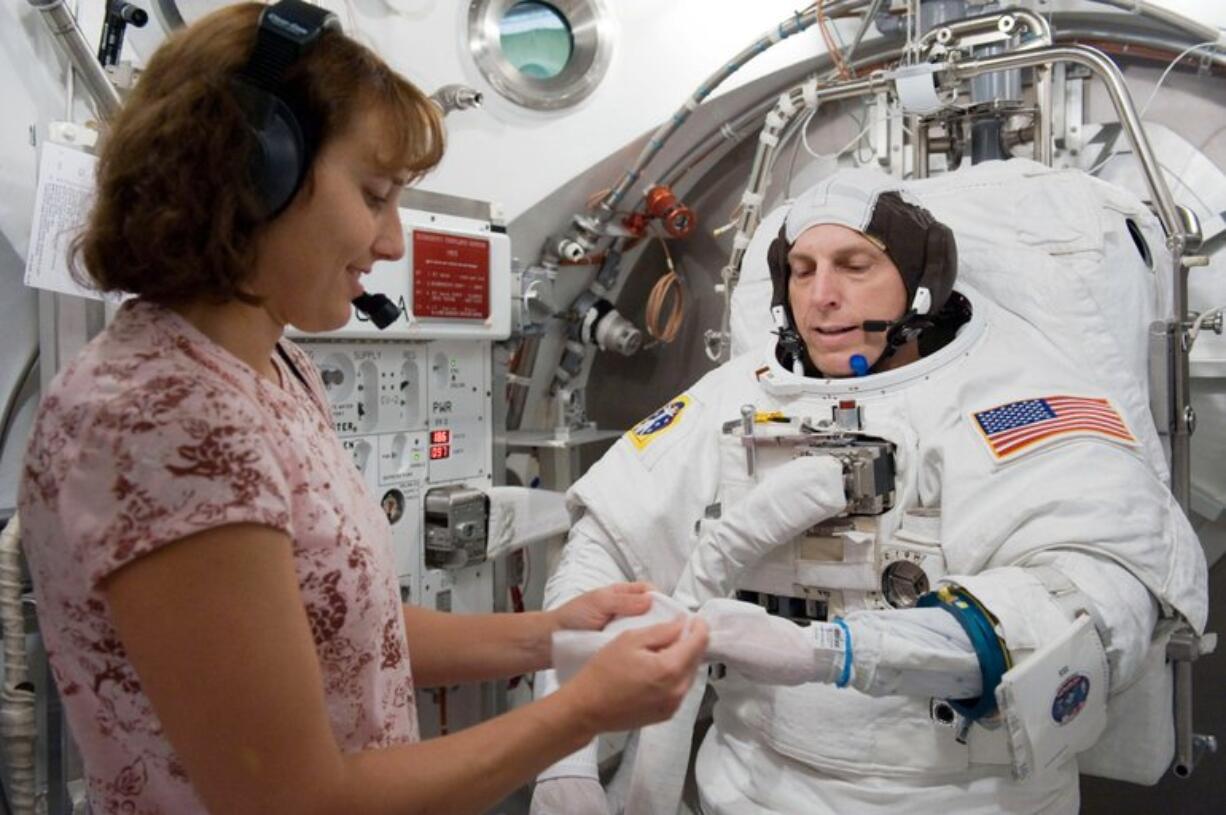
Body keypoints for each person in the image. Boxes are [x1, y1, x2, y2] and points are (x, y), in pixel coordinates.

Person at [17, 3, 708, 813]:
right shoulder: (158, 420)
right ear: (249, 171)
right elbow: (295, 800)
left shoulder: (273, 367)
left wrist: (558, 633)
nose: (392, 242)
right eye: (375, 195)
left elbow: (350, 631)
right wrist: (583, 710)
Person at [530, 168, 1208, 814]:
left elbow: (1101, 595)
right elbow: (604, 551)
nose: (822, 294)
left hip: (967, 797)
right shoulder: (735, 396)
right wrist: (564, 754)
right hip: (750, 785)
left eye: (855, 266)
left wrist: (840, 651)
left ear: (920, 280)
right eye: (802, 270)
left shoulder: (1018, 395)